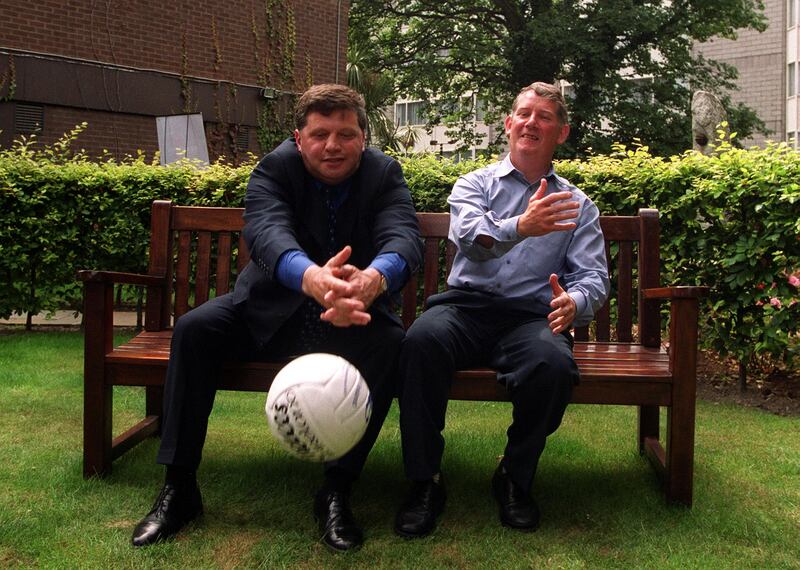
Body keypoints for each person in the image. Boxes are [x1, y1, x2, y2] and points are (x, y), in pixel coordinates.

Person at [131, 84, 423, 552]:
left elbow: (404, 239)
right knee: (195, 329)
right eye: (320, 133)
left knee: (392, 343)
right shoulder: (275, 167)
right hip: (269, 312)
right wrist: (311, 277)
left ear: (363, 138)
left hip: (349, 317)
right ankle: (179, 488)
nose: (333, 145)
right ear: (299, 137)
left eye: (345, 134)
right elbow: (266, 232)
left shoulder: (384, 174)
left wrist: (370, 281)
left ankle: (336, 490)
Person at [393, 82, 610, 537]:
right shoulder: (474, 184)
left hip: (531, 317)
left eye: (544, 116)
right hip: (466, 308)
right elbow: (471, 238)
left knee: (552, 365)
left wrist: (576, 301)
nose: (532, 122)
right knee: (419, 343)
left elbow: (593, 276)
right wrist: (521, 226)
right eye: (524, 114)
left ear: (562, 131)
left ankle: (514, 474)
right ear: (509, 124)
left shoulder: (578, 206)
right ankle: (424, 479)